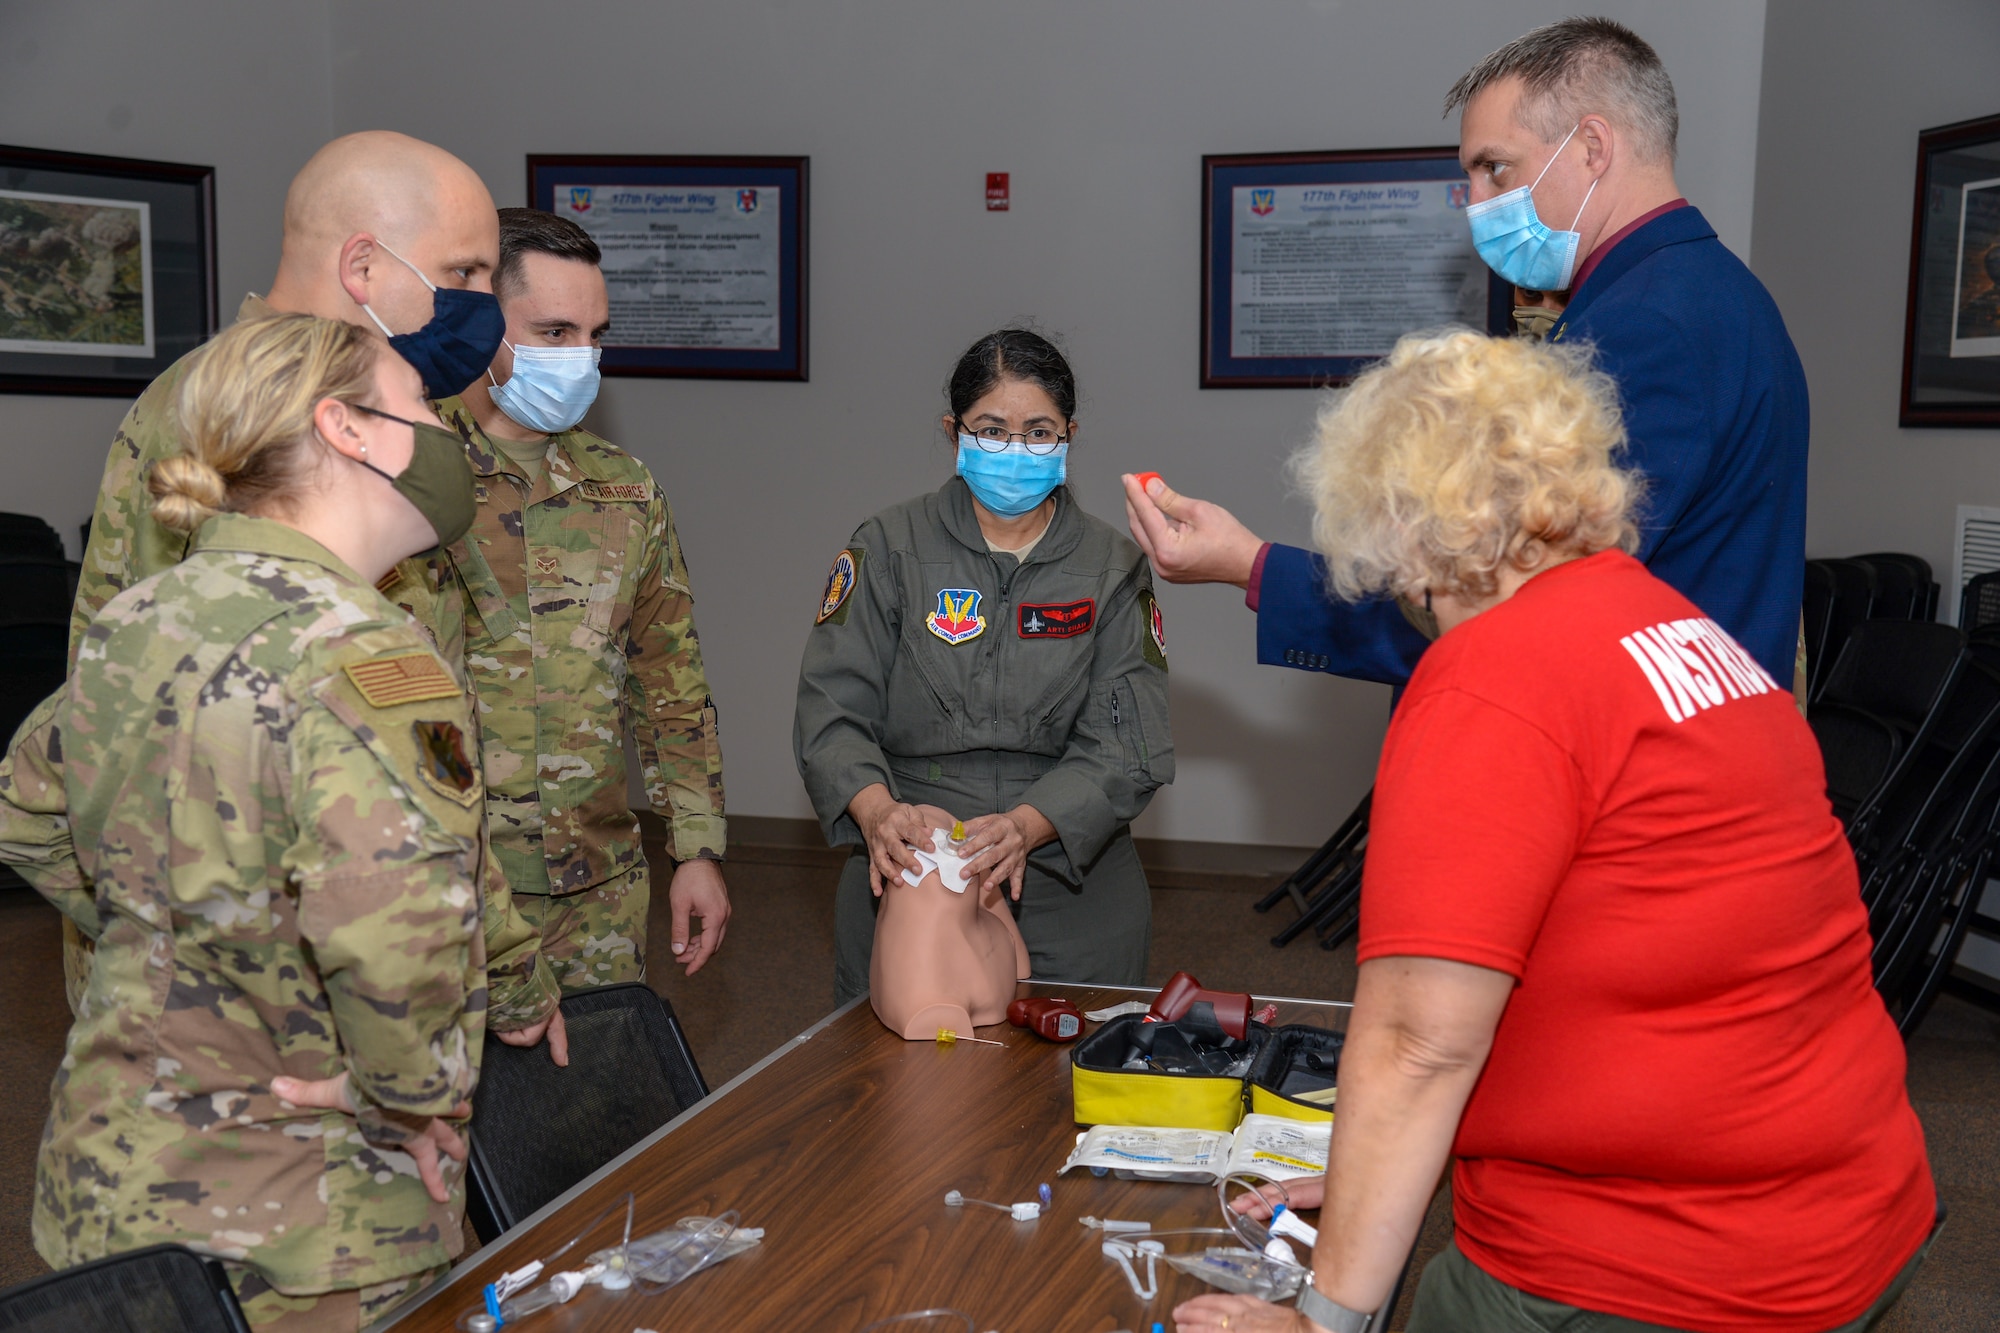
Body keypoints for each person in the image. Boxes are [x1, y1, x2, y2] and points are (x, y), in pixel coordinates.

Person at [1172, 331, 1935, 1333]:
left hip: (1654, 1266)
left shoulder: (1491, 679)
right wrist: (1369, 1177)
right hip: (1847, 1207)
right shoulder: (1681, 630)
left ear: (1397, 522)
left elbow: (1414, 1047)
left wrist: (1324, 1317)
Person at [33, 313, 509, 1330]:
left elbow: (26, 809)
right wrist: (406, 1099)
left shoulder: (140, 614)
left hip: (112, 1186)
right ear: (348, 428)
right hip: (304, 1225)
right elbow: (394, 936)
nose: (443, 432)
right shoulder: (370, 656)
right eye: (422, 406)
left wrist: (180, 922)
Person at [1126, 17, 1808, 696]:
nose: (1475, 201)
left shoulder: (1646, 325)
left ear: (1593, 146)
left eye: (1494, 167)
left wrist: (1249, 565)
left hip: (1647, 762)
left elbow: (1511, 602)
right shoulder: (1710, 289)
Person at [44, 131, 559, 1027]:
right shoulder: (223, 421)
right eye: (467, 273)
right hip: (258, 990)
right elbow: (123, 743)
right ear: (364, 263)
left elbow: (422, 705)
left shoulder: (385, 411)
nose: (485, 306)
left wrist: (492, 953)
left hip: (370, 932)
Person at [795, 329, 1172, 1003]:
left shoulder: (1113, 566)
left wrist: (1029, 825)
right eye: (992, 429)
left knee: (1072, 1086)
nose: (1015, 450)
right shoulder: (888, 547)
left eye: (1038, 432)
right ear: (953, 431)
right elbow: (831, 710)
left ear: (1069, 435)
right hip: (911, 871)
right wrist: (878, 811)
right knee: (900, 1095)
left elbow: (1128, 746)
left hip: (1070, 881)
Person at [434, 207, 730, 988]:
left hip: (595, 893)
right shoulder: (413, 481)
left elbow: (670, 682)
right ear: (479, 325)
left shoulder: (626, 491)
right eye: (554, 332)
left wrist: (695, 848)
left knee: (600, 1104)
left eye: (595, 335)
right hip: (449, 897)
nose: (581, 357)